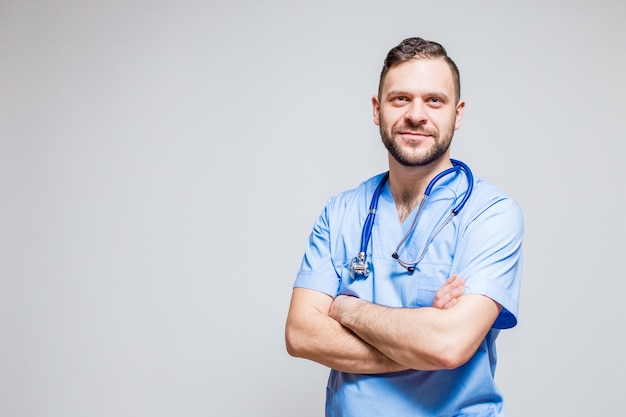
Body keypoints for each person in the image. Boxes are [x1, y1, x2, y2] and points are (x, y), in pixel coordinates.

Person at [284, 36, 524, 417]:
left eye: (434, 100)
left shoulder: (490, 213)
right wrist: (418, 342)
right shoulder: (341, 212)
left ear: (457, 114)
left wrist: (346, 310)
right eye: (400, 99)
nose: (416, 115)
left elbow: (448, 345)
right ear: (377, 110)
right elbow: (300, 334)